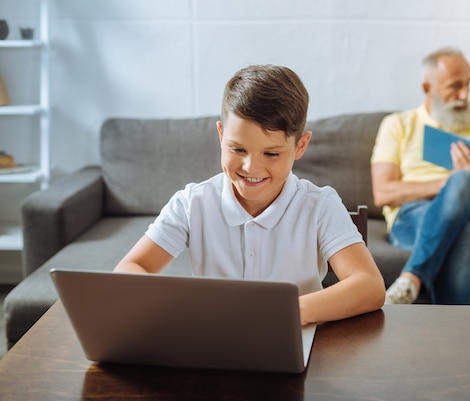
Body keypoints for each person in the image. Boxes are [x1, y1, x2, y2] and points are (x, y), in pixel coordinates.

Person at [114, 64, 386, 324]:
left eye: (271, 153)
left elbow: (370, 285)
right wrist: (182, 304)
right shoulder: (192, 203)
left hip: (294, 339)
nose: (250, 167)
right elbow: (129, 270)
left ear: (300, 146)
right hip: (213, 344)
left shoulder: (319, 205)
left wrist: (283, 314)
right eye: (237, 149)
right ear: (221, 135)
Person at [371, 47, 470, 305]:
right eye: (455, 86)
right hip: (412, 216)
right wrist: (447, 183)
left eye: (468, 84)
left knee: (464, 181)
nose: (464, 95)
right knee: (466, 234)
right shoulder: (398, 124)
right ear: (428, 88)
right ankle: (454, 336)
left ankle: (411, 278)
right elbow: (382, 192)